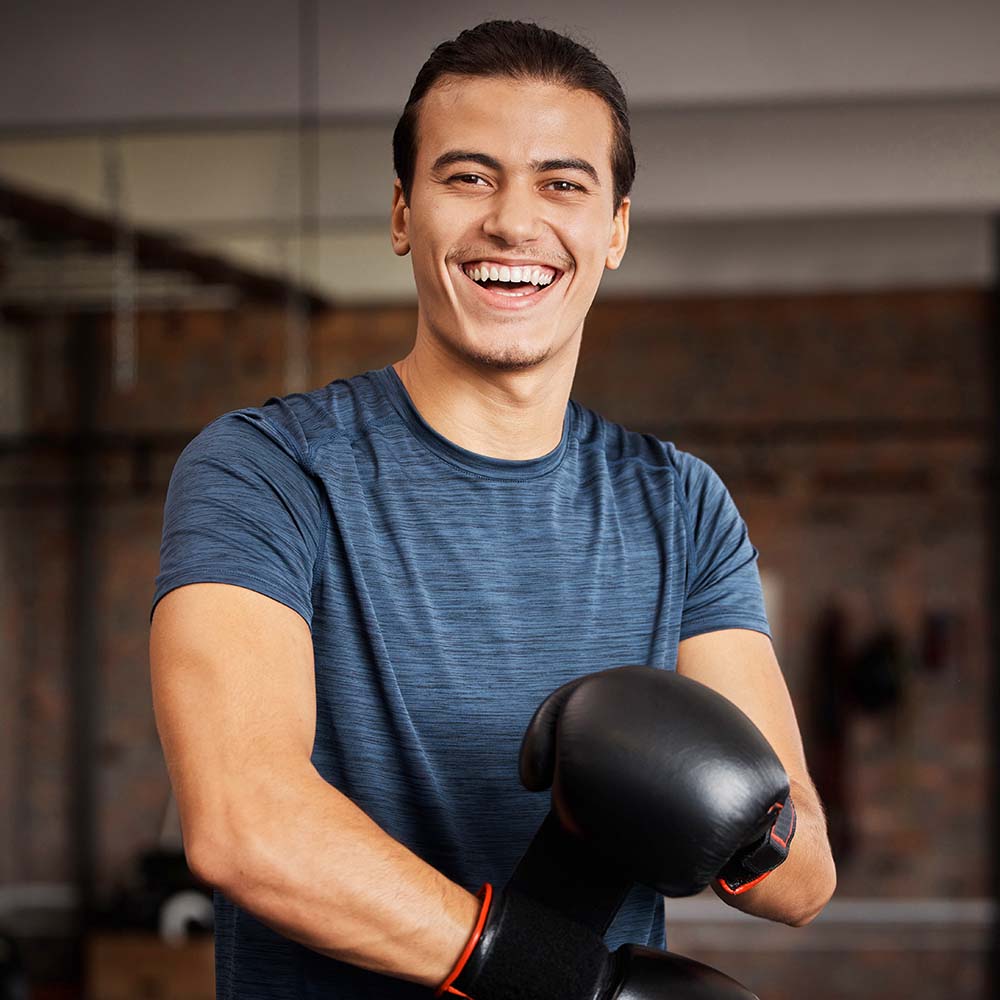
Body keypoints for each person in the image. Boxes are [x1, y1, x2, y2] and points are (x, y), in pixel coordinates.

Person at [149, 19, 836, 1000]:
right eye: (468, 176)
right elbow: (243, 822)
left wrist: (737, 820)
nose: (514, 222)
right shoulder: (264, 470)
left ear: (615, 230)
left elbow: (804, 876)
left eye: (563, 182)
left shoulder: (680, 506)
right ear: (401, 214)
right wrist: (561, 978)